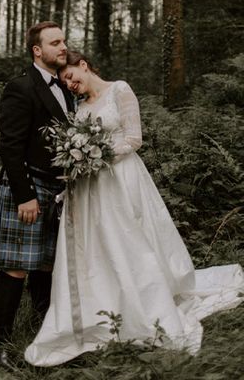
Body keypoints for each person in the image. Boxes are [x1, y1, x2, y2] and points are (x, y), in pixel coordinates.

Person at [25, 51, 244, 366]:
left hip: (123, 180)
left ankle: (146, 304)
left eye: (72, 76)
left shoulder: (120, 90)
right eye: (65, 83)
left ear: (83, 65)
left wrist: (97, 154)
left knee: (131, 240)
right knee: (99, 248)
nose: (71, 84)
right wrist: (79, 159)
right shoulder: (80, 108)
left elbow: (134, 138)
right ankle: (105, 308)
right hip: (90, 189)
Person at [0, 21, 75, 369]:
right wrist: (25, 195)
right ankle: (1, 345)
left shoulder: (68, 89)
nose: (63, 47)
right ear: (37, 50)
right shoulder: (21, 86)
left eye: (64, 41)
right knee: (16, 267)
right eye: (55, 42)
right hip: (26, 186)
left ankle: (45, 335)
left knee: (45, 265)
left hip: (58, 188)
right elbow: (9, 145)